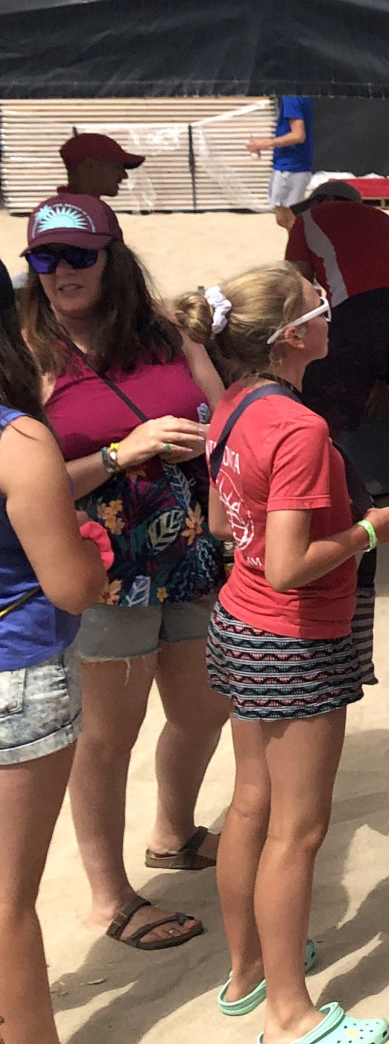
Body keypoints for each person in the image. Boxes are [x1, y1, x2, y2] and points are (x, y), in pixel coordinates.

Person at [176, 265, 389, 1044]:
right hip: (293, 638)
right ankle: (290, 1013)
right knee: (297, 831)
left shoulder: (232, 408)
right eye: (317, 305)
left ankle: (248, 974)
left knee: (251, 805)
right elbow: (289, 563)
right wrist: (371, 531)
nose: (330, 313)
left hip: (240, 626)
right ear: (293, 336)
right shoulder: (298, 428)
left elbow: (218, 522)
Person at [21, 193, 228, 952]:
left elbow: (222, 413)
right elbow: (25, 481)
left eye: (78, 255)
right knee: (109, 735)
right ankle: (110, 895)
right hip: (100, 564)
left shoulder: (166, 332)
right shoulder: (30, 355)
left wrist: (200, 444)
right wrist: (120, 453)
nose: (61, 272)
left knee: (208, 704)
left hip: (189, 550)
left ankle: (173, 832)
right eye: (45, 257)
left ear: (113, 256)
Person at [0, 317, 114, 1044]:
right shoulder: (18, 439)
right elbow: (71, 587)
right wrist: (95, 557)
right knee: (8, 903)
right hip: (18, 670)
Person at [283, 180, 389, 436]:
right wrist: (379, 374)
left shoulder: (308, 218)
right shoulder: (385, 220)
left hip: (359, 308)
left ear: (325, 199)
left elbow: (296, 288)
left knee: (329, 415)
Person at [249, 94, 314, 229]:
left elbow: (298, 135)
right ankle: (298, 248)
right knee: (284, 218)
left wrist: (264, 144)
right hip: (291, 164)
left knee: (289, 219)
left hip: (291, 166)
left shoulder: (291, 97)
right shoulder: (299, 95)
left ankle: (299, 249)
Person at [58, 132, 145, 201]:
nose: (124, 175)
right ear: (90, 165)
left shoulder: (61, 210)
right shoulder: (81, 214)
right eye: (117, 167)